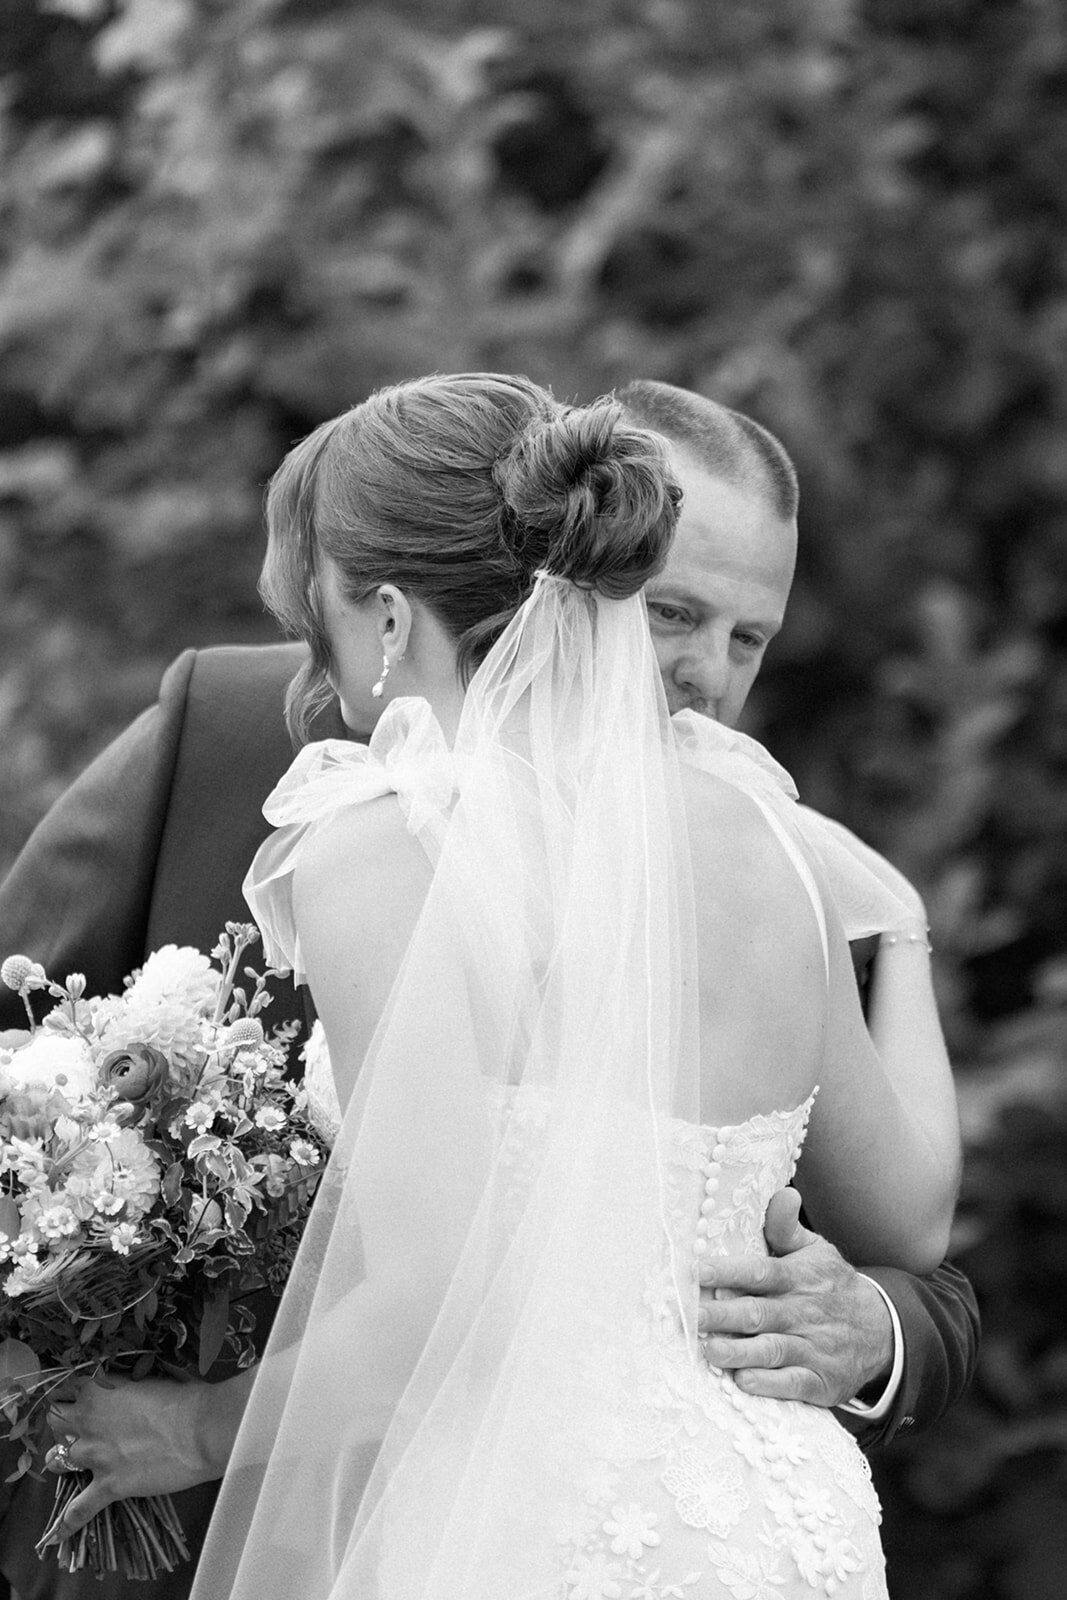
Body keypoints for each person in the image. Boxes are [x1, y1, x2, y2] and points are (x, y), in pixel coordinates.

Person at [0, 380, 977, 1600]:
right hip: (768, 1528)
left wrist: (197, 1430)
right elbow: (910, 1202)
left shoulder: (378, 835)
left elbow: (429, 1292)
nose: (703, 674)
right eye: (670, 609)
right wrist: (909, 936)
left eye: (747, 638)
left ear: (392, 616)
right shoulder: (772, 842)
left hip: (499, 1524)